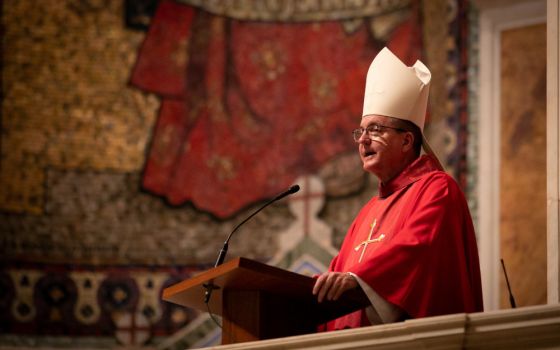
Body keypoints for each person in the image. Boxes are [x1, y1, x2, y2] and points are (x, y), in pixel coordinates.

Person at [312, 47, 483, 329]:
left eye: (376, 129)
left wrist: (358, 280)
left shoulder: (437, 189)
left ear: (406, 141)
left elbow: (418, 249)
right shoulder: (367, 213)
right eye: (361, 131)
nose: (363, 141)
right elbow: (335, 278)